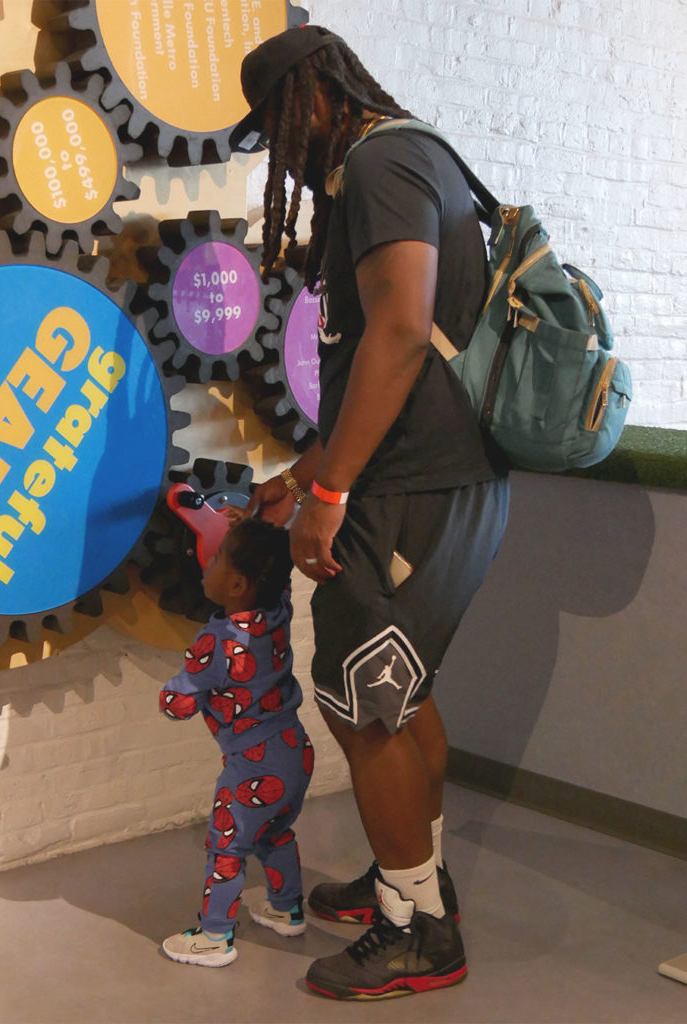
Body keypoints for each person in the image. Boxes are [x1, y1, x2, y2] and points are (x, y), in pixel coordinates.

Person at [230, 25, 510, 1000]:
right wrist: (307, 474)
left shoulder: (382, 163)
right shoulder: (412, 155)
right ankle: (417, 881)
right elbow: (392, 361)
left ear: (314, 95)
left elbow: (398, 325)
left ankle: (415, 932)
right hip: (442, 483)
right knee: (398, 689)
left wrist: (334, 492)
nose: (282, 150)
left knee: (367, 704)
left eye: (276, 123)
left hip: (407, 495)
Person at [159, 516, 315, 968]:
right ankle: (286, 908)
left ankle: (214, 937)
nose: (206, 562)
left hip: (251, 766)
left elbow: (177, 704)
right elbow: (278, 582)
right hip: (294, 751)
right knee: (276, 832)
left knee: (226, 848)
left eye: (218, 559)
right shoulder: (278, 610)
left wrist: (174, 693)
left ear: (238, 584)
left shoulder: (217, 642)